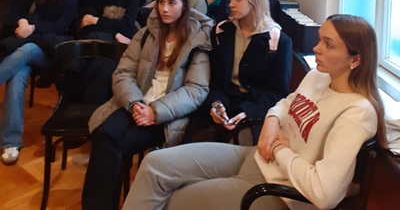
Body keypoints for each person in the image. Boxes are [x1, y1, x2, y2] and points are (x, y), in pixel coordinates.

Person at [123, 14, 387, 210]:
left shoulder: (357, 112)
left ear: (355, 59)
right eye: (320, 40)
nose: (316, 48)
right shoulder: (318, 77)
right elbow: (285, 103)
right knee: (154, 166)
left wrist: (279, 150)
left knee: (175, 200)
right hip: (257, 156)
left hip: (278, 191)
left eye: (328, 45)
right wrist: (272, 120)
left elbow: (325, 194)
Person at [81, 0, 213, 210]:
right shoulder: (145, 34)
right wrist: (134, 103)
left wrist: (155, 112)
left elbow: (196, 90)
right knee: (104, 135)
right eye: (161, 2)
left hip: (167, 114)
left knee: (115, 145)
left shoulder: (197, 41)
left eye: (172, 3)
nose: (164, 9)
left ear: (184, 6)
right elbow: (123, 72)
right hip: (135, 102)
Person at [183, 0, 291, 143]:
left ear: (255, 1)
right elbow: (215, 80)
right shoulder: (220, 31)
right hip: (223, 104)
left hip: (255, 109)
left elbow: (278, 92)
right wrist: (216, 104)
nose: (231, 4)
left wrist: (248, 112)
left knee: (237, 146)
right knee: (192, 142)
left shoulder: (279, 40)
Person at [0, 0, 78, 165]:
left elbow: (59, 27)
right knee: (16, 78)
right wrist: (22, 22)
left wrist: (33, 28)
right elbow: (10, 15)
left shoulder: (70, 0)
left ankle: (10, 140)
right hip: (26, 52)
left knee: (27, 49)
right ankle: (11, 142)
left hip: (51, 53)